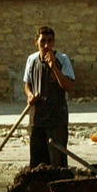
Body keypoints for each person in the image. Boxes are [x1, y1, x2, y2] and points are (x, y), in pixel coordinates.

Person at [23, 26, 75, 169]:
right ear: (36, 42)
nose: (46, 45)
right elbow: (27, 84)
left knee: (57, 164)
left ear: (53, 42)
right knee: (37, 165)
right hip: (36, 120)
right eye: (43, 41)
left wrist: (54, 68)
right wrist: (29, 95)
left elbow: (69, 86)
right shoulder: (31, 60)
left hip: (56, 119)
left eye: (50, 41)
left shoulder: (62, 60)